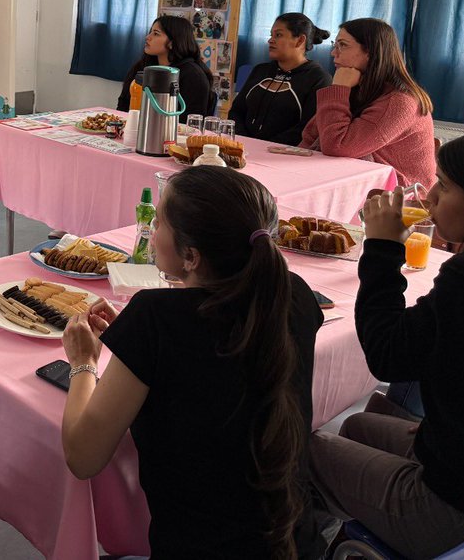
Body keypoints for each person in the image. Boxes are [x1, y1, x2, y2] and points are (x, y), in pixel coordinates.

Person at [60, 166, 323, 559]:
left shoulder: (155, 317)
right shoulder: (293, 294)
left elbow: (83, 456)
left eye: (158, 222)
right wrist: (135, 343)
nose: (152, 232)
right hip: (295, 543)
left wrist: (83, 363)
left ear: (191, 255)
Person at [309, 130, 464, 557]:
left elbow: (388, 355)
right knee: (356, 426)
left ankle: (307, 547)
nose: (431, 196)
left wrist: (382, 250)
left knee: (306, 448)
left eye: (446, 185)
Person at [299, 18, 436, 188]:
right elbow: (311, 136)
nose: (333, 53)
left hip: (400, 197)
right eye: (335, 44)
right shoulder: (359, 86)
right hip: (357, 183)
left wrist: (339, 88)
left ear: (371, 52)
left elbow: (336, 146)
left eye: (343, 45)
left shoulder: (400, 101)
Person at [230, 13, 332, 145]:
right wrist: (244, 142)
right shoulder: (260, 70)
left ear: (300, 40)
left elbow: (307, 128)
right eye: (271, 35)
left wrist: (265, 148)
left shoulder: (319, 79)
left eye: (278, 35)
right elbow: (236, 111)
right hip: (243, 148)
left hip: (283, 153)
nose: (270, 40)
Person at [115, 15, 214, 122]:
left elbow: (190, 122)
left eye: (156, 34)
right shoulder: (142, 66)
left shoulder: (193, 76)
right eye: (150, 32)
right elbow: (122, 108)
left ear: (172, 43)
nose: (147, 37)